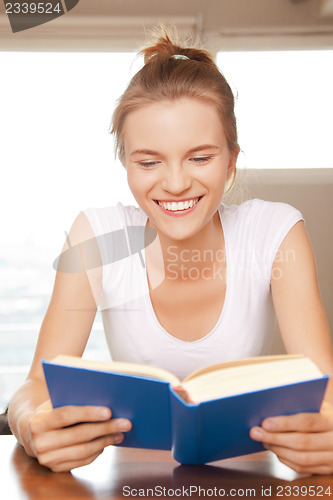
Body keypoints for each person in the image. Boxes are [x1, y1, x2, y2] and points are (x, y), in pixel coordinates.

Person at [8, 29, 333, 474]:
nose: (176, 183)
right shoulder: (96, 235)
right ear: (125, 163)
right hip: (135, 481)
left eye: (200, 158)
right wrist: (29, 423)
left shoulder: (274, 232)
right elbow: (35, 387)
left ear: (231, 160)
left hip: (243, 478)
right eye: (148, 162)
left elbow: (326, 392)